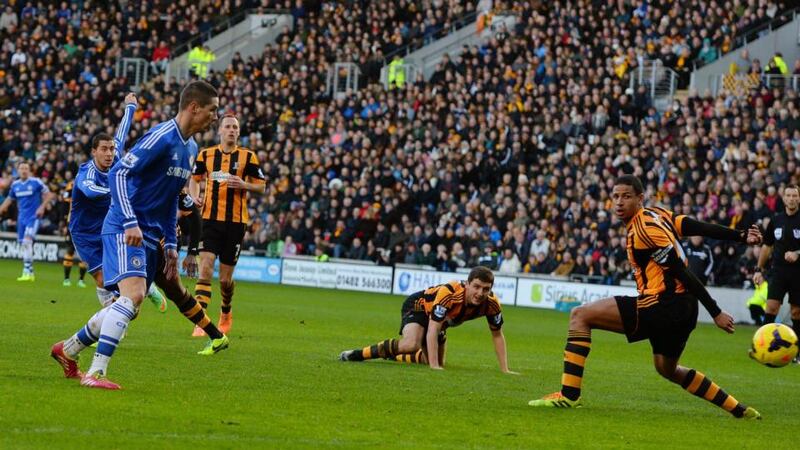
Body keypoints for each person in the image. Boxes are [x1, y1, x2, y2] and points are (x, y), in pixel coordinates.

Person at [529, 175, 760, 419]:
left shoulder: (644, 229)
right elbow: (694, 225)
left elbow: (682, 273)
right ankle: (739, 410)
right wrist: (740, 236)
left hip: (664, 303)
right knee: (667, 369)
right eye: (615, 196)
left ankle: (568, 395)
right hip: (684, 309)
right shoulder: (657, 214)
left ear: (640, 198)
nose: (619, 202)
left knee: (580, 315)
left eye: (626, 196)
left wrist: (716, 312)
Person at [50, 80, 223, 390]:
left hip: (151, 234)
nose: (216, 116)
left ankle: (68, 349)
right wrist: (129, 221)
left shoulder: (191, 148)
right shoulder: (161, 137)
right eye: (212, 110)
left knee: (131, 307)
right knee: (133, 296)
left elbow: (171, 198)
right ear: (194, 108)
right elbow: (119, 172)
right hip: (124, 227)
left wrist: (172, 244)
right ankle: (96, 373)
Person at [65, 93, 166, 311]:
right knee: (102, 280)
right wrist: (117, 191)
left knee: (120, 276)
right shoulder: (86, 172)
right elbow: (90, 191)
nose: (110, 153)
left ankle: (141, 290)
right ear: (93, 152)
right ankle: (117, 315)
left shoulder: (116, 158)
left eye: (111, 149)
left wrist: (130, 106)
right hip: (84, 233)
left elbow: (122, 132)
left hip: (109, 227)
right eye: (104, 149)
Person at [339, 266, 516, 373]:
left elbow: (497, 335)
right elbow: (433, 329)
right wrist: (434, 368)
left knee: (432, 360)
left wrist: (505, 370)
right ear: (467, 284)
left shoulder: (492, 304)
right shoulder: (450, 293)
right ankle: (356, 354)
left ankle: (394, 356)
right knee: (412, 345)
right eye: (476, 287)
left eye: (486, 289)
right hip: (419, 305)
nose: (480, 293)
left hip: (439, 321)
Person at [189, 113, 266, 336]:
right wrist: (195, 197)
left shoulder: (248, 157)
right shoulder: (206, 155)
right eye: (228, 126)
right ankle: (201, 322)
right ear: (220, 130)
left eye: (235, 127)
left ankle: (226, 310)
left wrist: (244, 184)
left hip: (235, 223)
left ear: (238, 132)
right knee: (205, 268)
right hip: (210, 220)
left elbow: (261, 186)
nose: (231, 130)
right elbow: (194, 181)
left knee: (225, 280)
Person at [753, 185, 800, 348]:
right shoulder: (776, 220)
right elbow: (767, 246)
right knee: (771, 307)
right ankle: (761, 345)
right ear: (784, 198)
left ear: (799, 198)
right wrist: (759, 269)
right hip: (778, 271)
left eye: (795, 195)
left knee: (796, 312)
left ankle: (797, 351)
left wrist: (797, 253)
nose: (792, 198)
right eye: (789, 195)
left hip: (798, 273)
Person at [0, 161, 53, 281]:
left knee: (27, 242)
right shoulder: (15, 185)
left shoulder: (36, 182)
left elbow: (49, 195)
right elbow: (9, 200)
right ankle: (30, 272)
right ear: (18, 171)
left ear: (29, 170)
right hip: (21, 219)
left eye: (26, 168)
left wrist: (42, 206)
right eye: (21, 168)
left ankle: (26, 272)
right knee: (24, 245)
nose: (24, 170)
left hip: (33, 217)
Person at [61, 179, 89, 288]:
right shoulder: (71, 185)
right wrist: (63, 223)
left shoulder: (92, 184)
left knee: (84, 253)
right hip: (71, 223)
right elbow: (64, 205)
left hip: (86, 224)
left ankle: (81, 280)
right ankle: (66, 279)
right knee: (70, 250)